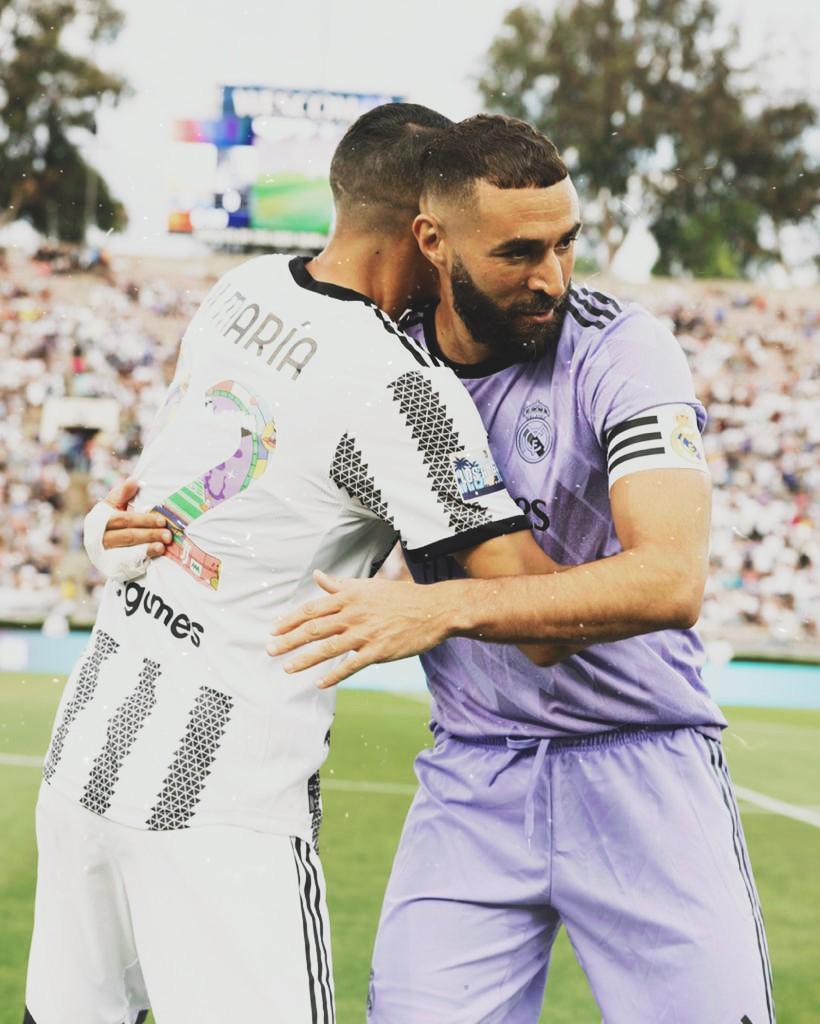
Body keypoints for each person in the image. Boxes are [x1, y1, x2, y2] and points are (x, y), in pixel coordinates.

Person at [25, 104, 573, 1024]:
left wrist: (98, 535)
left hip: (89, 742)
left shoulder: (240, 289)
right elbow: (541, 619)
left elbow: (154, 494)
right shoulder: (400, 384)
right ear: (426, 234)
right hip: (219, 787)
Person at [270, 116, 774, 1024]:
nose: (551, 278)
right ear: (434, 240)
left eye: (566, 244)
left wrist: (446, 607)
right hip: (475, 775)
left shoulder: (622, 349)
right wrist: (157, 512)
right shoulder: (389, 367)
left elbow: (670, 580)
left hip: (641, 768)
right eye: (517, 253)